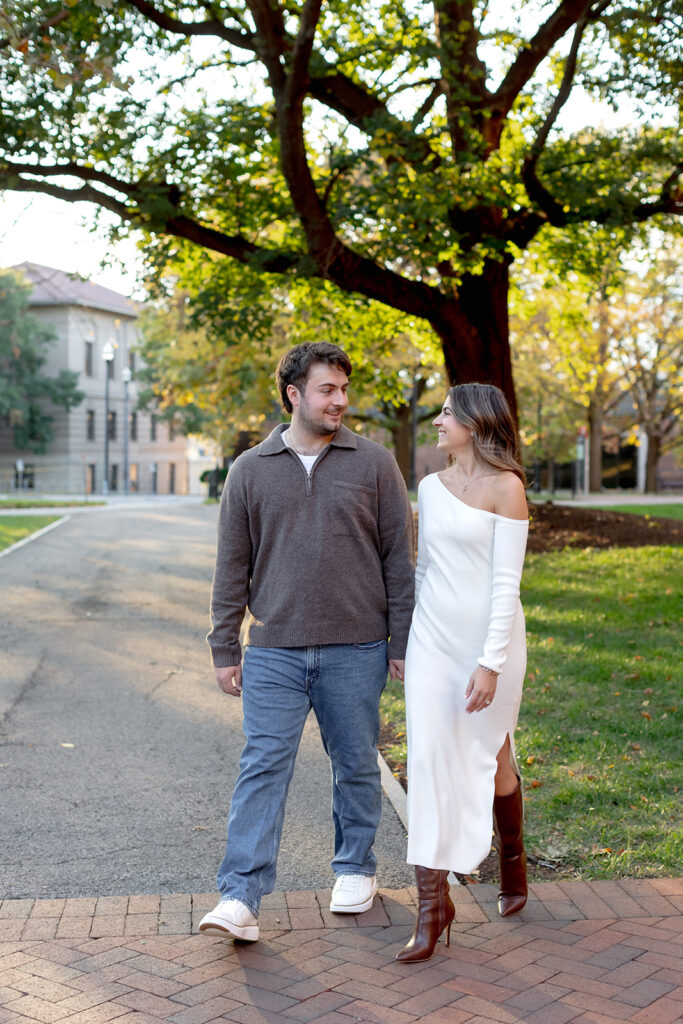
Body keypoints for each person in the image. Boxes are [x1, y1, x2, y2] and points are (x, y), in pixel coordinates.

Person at [199, 341, 414, 942]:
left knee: (355, 763)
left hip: (358, 647)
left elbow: (399, 556)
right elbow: (230, 566)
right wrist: (224, 647)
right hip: (273, 650)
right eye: (328, 389)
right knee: (262, 766)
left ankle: (354, 867)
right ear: (294, 394)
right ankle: (240, 897)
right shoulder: (250, 469)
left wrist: (402, 639)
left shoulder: (373, 464)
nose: (340, 400)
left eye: (345, 389)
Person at [396, 382, 529, 963]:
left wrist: (489, 663)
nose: (437, 421)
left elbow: (506, 586)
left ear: (475, 423)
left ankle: (513, 862)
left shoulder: (508, 488)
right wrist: (410, 644)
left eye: (447, 413)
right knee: (425, 762)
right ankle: (433, 907)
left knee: (495, 758)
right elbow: (425, 570)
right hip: (433, 641)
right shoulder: (428, 485)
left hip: (488, 646)